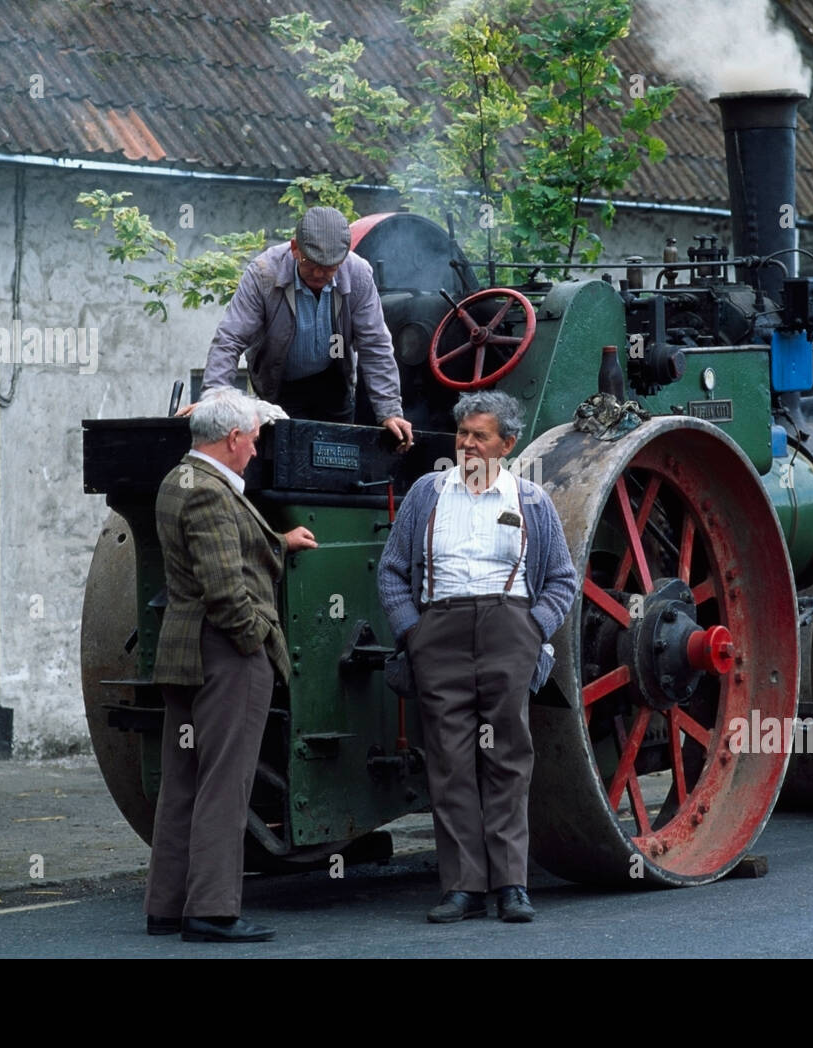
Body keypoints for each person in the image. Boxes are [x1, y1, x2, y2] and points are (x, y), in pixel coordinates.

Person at [377, 391, 578, 923]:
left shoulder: (532, 501)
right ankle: (461, 888)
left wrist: (534, 630)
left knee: (508, 758)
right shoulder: (427, 493)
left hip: (509, 630)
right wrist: (412, 631)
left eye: (480, 435)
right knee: (449, 759)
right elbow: (393, 570)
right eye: (463, 433)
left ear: (506, 444)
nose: (467, 443)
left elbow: (562, 578)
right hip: (437, 632)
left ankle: (512, 885)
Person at [146, 386, 318, 943]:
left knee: (184, 780)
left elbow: (225, 549)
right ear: (233, 438)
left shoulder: (182, 480)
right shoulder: (212, 494)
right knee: (224, 781)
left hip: (185, 654)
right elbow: (225, 588)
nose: (257, 449)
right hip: (225, 654)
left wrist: (278, 540)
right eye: (255, 438)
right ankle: (213, 911)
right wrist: (257, 640)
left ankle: (167, 907)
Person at [189, 205, 415, 451]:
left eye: (330, 266)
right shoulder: (263, 273)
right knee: (281, 461)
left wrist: (390, 412)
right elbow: (229, 340)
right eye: (312, 263)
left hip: (334, 383)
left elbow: (375, 346)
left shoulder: (358, 274)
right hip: (279, 386)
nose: (319, 273)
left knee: (335, 459)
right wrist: (214, 397)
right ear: (295, 248)